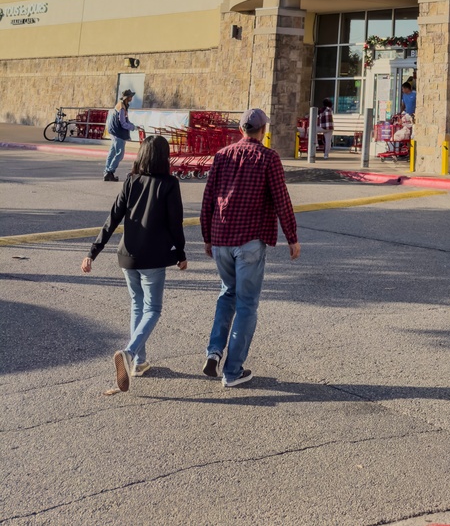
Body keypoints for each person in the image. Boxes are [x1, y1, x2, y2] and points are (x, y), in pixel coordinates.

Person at [200, 106, 299, 389]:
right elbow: (282, 199)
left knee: (226, 294)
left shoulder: (221, 156)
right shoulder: (268, 158)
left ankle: (214, 351)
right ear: (263, 131)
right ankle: (232, 371)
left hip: (221, 239)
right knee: (246, 304)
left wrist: (207, 236)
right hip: (249, 241)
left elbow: (209, 198)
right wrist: (292, 236)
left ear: (241, 130)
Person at [82, 134, 188, 392]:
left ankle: (139, 362)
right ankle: (129, 353)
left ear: (141, 156)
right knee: (153, 309)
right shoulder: (169, 183)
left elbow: (113, 218)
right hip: (153, 258)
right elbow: (175, 223)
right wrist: (181, 253)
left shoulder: (130, 181)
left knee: (137, 306)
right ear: (165, 157)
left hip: (127, 256)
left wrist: (92, 252)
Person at [104, 89, 136, 182]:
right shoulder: (122, 107)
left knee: (112, 152)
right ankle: (110, 172)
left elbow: (126, 120)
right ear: (127, 98)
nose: (131, 98)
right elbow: (123, 123)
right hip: (118, 132)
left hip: (114, 131)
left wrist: (132, 125)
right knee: (119, 153)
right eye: (130, 96)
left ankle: (106, 172)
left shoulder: (122, 105)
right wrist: (132, 127)